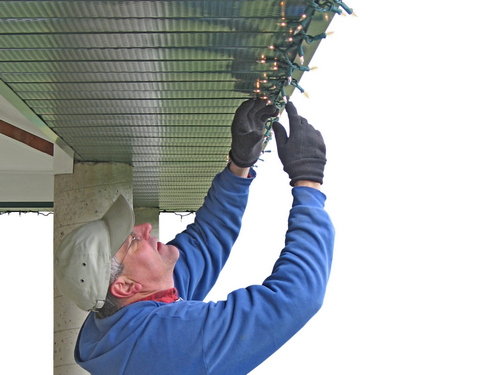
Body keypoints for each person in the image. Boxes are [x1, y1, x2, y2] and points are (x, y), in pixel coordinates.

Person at [54, 99, 334, 375]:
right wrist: (308, 181)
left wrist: (239, 164)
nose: (145, 229)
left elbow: (205, 240)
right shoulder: (169, 344)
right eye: (133, 241)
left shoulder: (115, 326)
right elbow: (296, 297)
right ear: (125, 287)